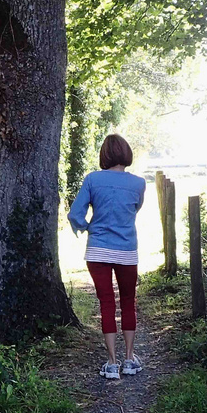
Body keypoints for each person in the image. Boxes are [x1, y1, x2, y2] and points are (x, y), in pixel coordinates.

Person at [67, 134, 146, 380]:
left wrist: (88, 226)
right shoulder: (139, 183)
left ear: (105, 155)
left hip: (98, 250)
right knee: (128, 301)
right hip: (126, 249)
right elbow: (135, 208)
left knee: (106, 303)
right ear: (126, 154)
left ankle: (111, 363)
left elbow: (74, 214)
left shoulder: (93, 179)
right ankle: (130, 359)